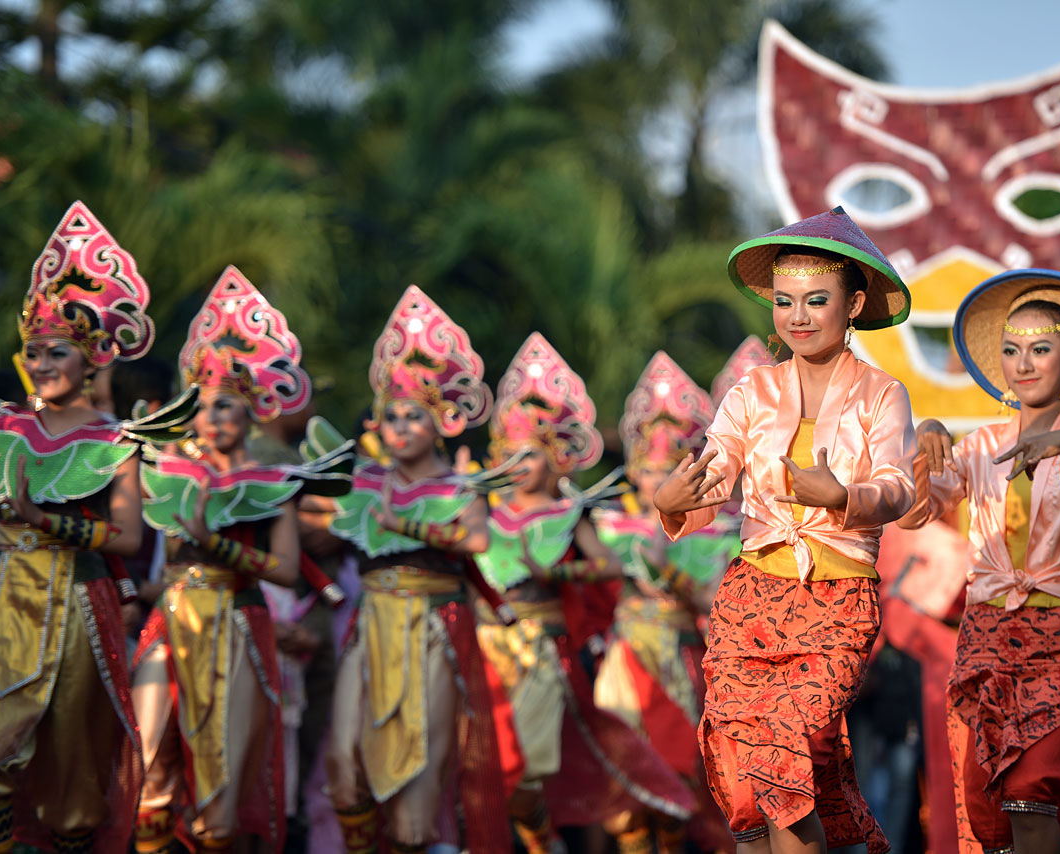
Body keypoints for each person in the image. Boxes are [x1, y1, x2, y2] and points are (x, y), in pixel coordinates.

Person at [654, 207, 916, 854]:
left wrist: (844, 496)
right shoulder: (751, 394)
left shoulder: (884, 395)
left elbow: (901, 489)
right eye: (785, 302)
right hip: (750, 603)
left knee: (787, 756)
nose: (797, 317)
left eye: (816, 301)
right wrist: (670, 497)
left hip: (838, 607)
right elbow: (709, 477)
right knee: (745, 785)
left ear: (853, 304)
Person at [0, 202, 193, 854]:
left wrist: (48, 521)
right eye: (31, 351)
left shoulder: (116, 440)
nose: (39, 363)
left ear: (91, 360)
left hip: (77, 607)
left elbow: (125, 537)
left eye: (54, 352)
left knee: (73, 780)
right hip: (3, 600)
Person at [899, 268, 1060, 854]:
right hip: (986, 641)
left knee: (1033, 789)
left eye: (1040, 348)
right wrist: (924, 444)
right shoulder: (979, 444)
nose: (1023, 363)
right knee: (989, 807)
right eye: (1011, 350)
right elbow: (914, 515)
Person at [305, 285, 512, 854]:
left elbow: (475, 537)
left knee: (415, 812)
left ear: (441, 422)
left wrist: (402, 525)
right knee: (344, 772)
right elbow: (310, 525)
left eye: (414, 416)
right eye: (390, 415)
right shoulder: (360, 485)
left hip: (433, 628)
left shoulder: (460, 488)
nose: (399, 426)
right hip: (370, 625)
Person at [131, 266, 327, 853]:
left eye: (226, 408)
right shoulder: (169, 474)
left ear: (251, 415)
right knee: (147, 771)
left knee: (218, 793)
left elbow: (288, 571)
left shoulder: (273, 484)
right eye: (205, 407)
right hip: (170, 620)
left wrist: (218, 546)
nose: (213, 419)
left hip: (239, 624)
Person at [475, 332, 694, 854]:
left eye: (531, 455)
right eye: (512, 454)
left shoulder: (573, 515)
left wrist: (554, 575)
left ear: (556, 458)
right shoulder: (484, 513)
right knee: (482, 766)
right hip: (486, 648)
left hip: (555, 652)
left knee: (533, 768)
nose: (519, 466)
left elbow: (607, 567)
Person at [593, 351, 736, 854]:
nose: (656, 483)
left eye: (666, 472)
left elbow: (714, 602)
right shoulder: (608, 524)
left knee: (676, 776)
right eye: (648, 471)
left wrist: (668, 569)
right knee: (626, 780)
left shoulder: (716, 534)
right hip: (625, 654)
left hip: (680, 656)